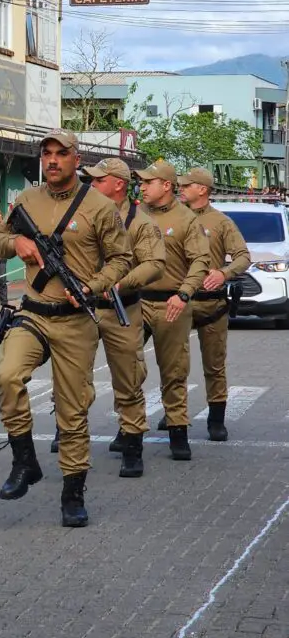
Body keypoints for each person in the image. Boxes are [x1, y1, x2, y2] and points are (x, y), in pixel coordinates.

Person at [0, 131, 132, 527]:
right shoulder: (27, 199)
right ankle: (24, 461)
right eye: (47, 153)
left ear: (77, 158)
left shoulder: (100, 207)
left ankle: (72, 492)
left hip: (74, 321)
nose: (52, 160)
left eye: (61, 154)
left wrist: (91, 286)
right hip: (32, 313)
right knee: (7, 375)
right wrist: (17, 241)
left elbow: (121, 259)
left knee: (72, 411)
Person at [81, 158, 166, 478]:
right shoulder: (82, 215)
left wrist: (121, 282)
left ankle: (132, 445)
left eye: (98, 181)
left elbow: (155, 263)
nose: (91, 185)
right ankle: (70, 434)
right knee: (73, 377)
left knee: (128, 380)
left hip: (122, 307)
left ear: (118, 184)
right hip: (83, 308)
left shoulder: (141, 222)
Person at [135, 161, 211, 461]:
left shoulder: (187, 220)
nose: (141, 187)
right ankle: (130, 427)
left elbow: (200, 261)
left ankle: (178, 430)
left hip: (172, 303)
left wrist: (184, 293)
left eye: (147, 182)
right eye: (140, 182)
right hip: (136, 302)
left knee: (174, 370)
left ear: (166, 185)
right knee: (128, 366)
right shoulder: (135, 215)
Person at [177, 166, 251, 440]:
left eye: (187, 185)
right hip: (178, 302)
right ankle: (174, 413)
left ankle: (216, 419)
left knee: (214, 365)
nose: (181, 189)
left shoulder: (220, 222)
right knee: (173, 364)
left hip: (210, 304)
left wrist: (224, 273)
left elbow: (243, 255)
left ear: (202, 190)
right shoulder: (174, 217)